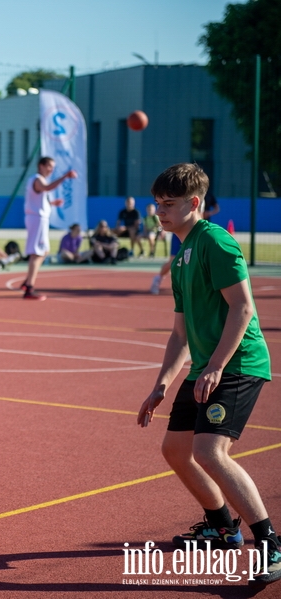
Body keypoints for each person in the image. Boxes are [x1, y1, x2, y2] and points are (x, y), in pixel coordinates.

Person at [137, 163, 279, 589]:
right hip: (205, 367)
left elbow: (243, 308)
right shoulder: (180, 256)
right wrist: (161, 384)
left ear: (194, 203)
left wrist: (216, 365)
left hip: (237, 364)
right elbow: (179, 333)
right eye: (157, 203)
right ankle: (221, 528)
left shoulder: (215, 242)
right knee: (175, 451)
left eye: (169, 204)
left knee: (210, 451)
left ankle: (270, 542)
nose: (159, 211)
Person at [21, 156, 78, 300]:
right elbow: (46, 188)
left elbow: (39, 197)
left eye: (52, 167)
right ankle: (29, 288)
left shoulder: (38, 180)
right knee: (36, 253)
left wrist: (51, 203)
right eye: (49, 166)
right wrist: (65, 176)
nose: (51, 169)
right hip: (36, 219)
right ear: (41, 166)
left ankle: (28, 281)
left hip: (39, 218)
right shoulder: (38, 179)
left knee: (44, 251)